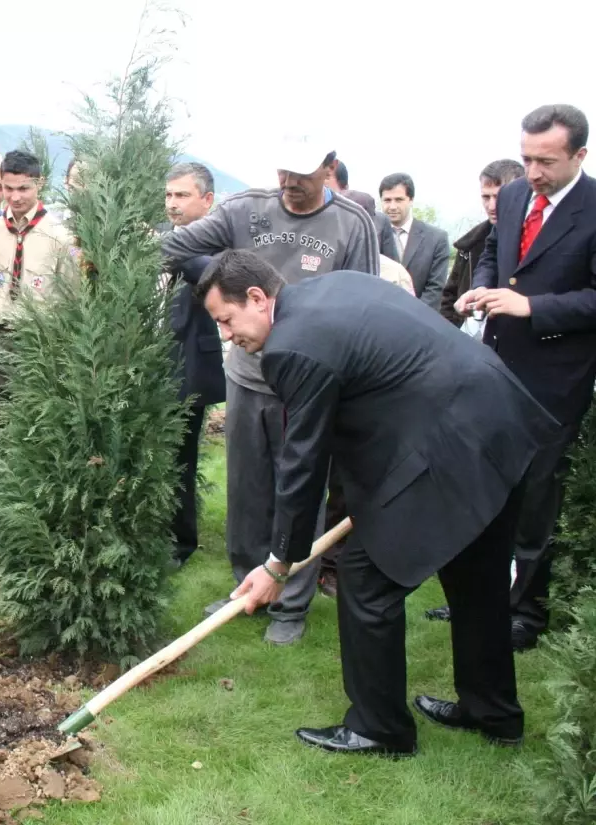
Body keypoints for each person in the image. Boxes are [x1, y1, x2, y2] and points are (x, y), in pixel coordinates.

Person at [201, 251, 555, 756]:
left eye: (226, 320)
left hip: (453, 444)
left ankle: (379, 729)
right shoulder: (335, 286)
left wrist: (278, 563)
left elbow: (303, 465)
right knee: (476, 578)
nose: (227, 335)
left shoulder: (292, 347)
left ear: (257, 298)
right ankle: (493, 713)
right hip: (500, 420)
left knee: (367, 582)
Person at [162, 137, 379, 645]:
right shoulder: (245, 210)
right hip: (247, 377)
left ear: (329, 167)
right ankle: (247, 587)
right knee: (247, 487)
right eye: (283, 171)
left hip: (309, 384)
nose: (289, 184)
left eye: (301, 174)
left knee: (298, 488)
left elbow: (360, 298)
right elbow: (179, 243)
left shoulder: (352, 223)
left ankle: (291, 603)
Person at [455, 104, 596, 650]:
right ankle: (477, 591)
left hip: (555, 379)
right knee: (485, 486)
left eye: (546, 161)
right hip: (495, 367)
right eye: (526, 159)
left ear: (579, 155)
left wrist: (530, 306)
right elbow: (494, 253)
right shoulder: (514, 196)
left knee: (536, 496)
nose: (533, 173)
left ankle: (525, 613)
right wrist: (482, 288)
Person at [0, 150, 77, 505]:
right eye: (8, 188)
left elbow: (70, 292)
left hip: (39, 339)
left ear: (39, 184)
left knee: (33, 417)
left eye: (23, 188)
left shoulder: (59, 235)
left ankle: (27, 492)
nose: (15, 197)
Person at [156, 162, 225, 565]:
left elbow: (212, 276)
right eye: (168, 195)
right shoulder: (161, 237)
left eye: (182, 195)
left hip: (189, 364)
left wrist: (173, 252)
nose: (172, 203)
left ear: (207, 200)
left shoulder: (219, 241)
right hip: (151, 359)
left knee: (181, 459)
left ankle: (180, 543)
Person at [439, 159, 526, 328]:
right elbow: (450, 297)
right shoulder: (469, 245)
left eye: (500, 196)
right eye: (486, 197)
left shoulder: (534, 240)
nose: (492, 205)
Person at [379, 173, 450, 308]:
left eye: (399, 200)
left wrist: (415, 317)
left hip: (423, 319)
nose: (392, 207)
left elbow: (435, 288)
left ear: (411, 200)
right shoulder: (372, 237)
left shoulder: (436, 238)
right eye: (387, 200)